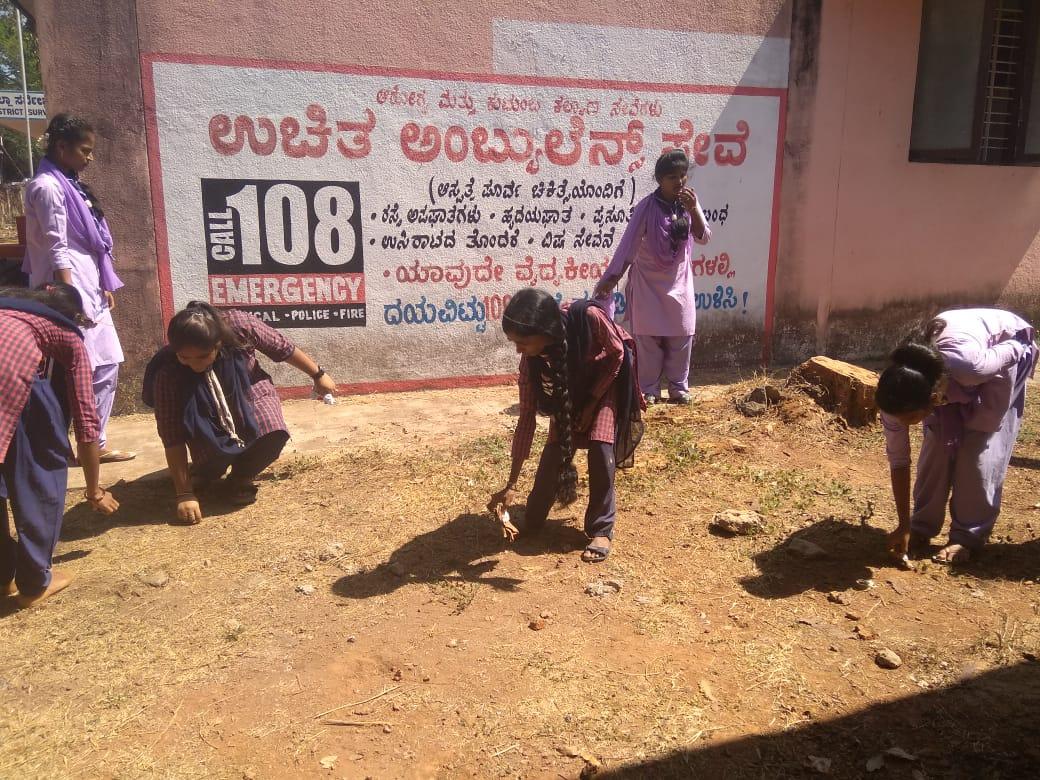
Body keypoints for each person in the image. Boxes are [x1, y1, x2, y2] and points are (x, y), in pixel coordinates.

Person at [143, 302, 337, 525]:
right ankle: (206, 472)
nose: (194, 365)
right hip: (201, 410)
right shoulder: (167, 371)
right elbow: (171, 434)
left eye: (203, 356)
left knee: (272, 431)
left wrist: (318, 375)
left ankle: (240, 478)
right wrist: (184, 494)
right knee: (214, 459)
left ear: (218, 344)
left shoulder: (240, 326)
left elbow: (283, 348)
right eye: (185, 358)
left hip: (249, 392)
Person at [487, 288, 643, 563]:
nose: (518, 350)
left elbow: (617, 355)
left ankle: (601, 529)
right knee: (553, 456)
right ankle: (534, 519)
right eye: (514, 342)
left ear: (545, 332)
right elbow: (526, 420)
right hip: (568, 390)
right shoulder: (532, 365)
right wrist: (511, 483)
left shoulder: (588, 317)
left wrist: (593, 403)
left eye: (522, 342)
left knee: (600, 449)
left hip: (605, 382)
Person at [877, 309, 1037, 565]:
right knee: (936, 448)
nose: (902, 424)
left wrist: (1024, 343)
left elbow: (1015, 348)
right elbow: (899, 461)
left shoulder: (971, 367)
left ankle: (967, 536)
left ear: (932, 401)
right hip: (948, 369)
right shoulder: (895, 397)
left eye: (909, 418)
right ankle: (921, 527)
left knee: (979, 453)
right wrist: (904, 524)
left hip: (1003, 353)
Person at [22, 113, 135, 462]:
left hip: (86, 285)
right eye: (85, 150)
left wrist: (102, 282)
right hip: (63, 291)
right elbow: (58, 247)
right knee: (73, 371)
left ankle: (93, 443)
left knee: (105, 365)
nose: (90, 157)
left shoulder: (69, 184)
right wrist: (70, 299)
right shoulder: (48, 187)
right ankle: (63, 447)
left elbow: (86, 243)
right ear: (61, 147)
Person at [0, 283, 120, 608]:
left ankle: (1, 578)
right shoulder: (66, 332)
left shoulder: (10, 308)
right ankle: (34, 582)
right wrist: (94, 490)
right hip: (12, 379)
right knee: (43, 472)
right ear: (72, 317)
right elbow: (85, 418)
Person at [594, 150, 711, 405]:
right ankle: (648, 389)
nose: (679, 181)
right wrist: (611, 278)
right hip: (647, 283)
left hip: (679, 283)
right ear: (659, 179)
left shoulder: (690, 202)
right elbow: (628, 246)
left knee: (682, 335)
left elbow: (703, 236)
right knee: (647, 339)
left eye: (682, 176)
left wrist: (693, 210)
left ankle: (679, 388)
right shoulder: (646, 207)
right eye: (672, 177)